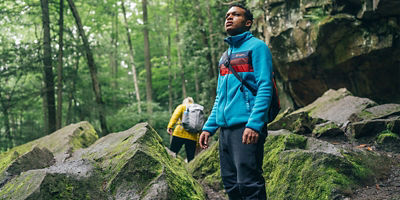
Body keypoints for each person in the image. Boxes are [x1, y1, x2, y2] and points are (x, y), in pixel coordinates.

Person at [199, 4, 273, 200]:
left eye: (235, 14)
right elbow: (220, 97)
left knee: (248, 183)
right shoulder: (225, 57)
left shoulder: (257, 47)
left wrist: (255, 124)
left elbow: (265, 87)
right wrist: (208, 127)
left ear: (248, 22)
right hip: (225, 131)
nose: (229, 18)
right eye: (227, 15)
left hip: (247, 126)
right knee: (231, 184)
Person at [167, 97, 199, 162]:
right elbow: (199, 124)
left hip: (179, 133)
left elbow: (175, 116)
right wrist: (198, 140)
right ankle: (190, 171)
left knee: (172, 153)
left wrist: (170, 126)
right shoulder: (197, 109)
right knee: (191, 158)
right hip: (193, 136)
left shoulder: (182, 106)